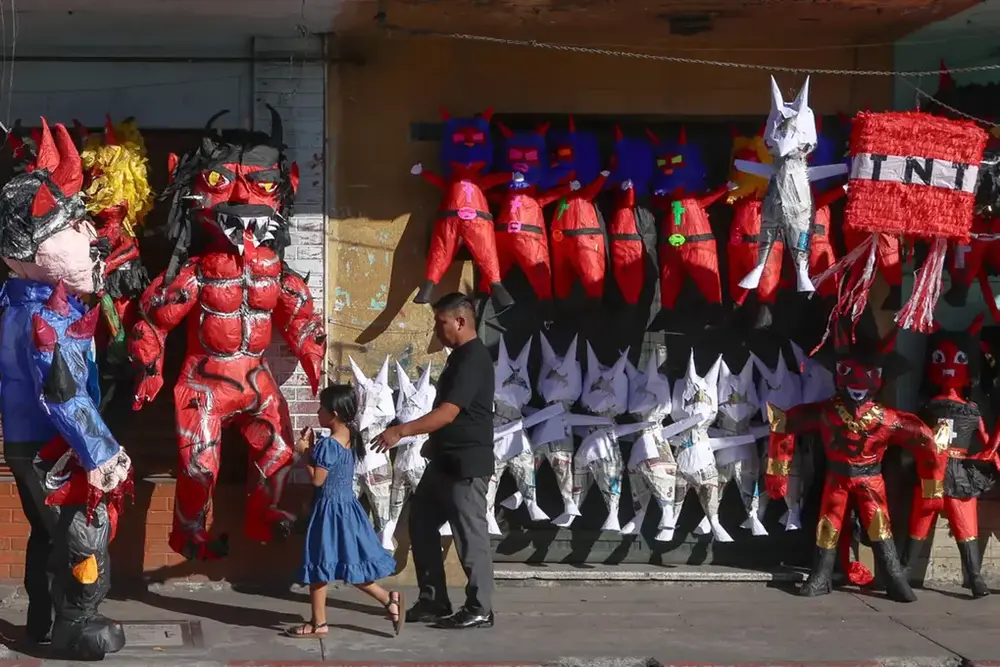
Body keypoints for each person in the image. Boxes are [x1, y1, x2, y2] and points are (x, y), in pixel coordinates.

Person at [373, 292, 496, 630]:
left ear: (460, 321)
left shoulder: (473, 358)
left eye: (441, 323)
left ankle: (480, 607)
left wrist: (401, 431)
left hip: (466, 465)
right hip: (442, 462)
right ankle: (434, 600)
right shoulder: (458, 358)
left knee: (470, 537)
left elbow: (447, 413)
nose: (436, 329)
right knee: (422, 522)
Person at [285, 384, 404, 638]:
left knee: (319, 565)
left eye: (321, 408)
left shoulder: (329, 445)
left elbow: (318, 480)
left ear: (335, 413)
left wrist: (304, 453)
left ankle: (319, 624)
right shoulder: (350, 436)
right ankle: (388, 601)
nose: (318, 412)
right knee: (348, 564)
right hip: (347, 509)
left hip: (328, 511)